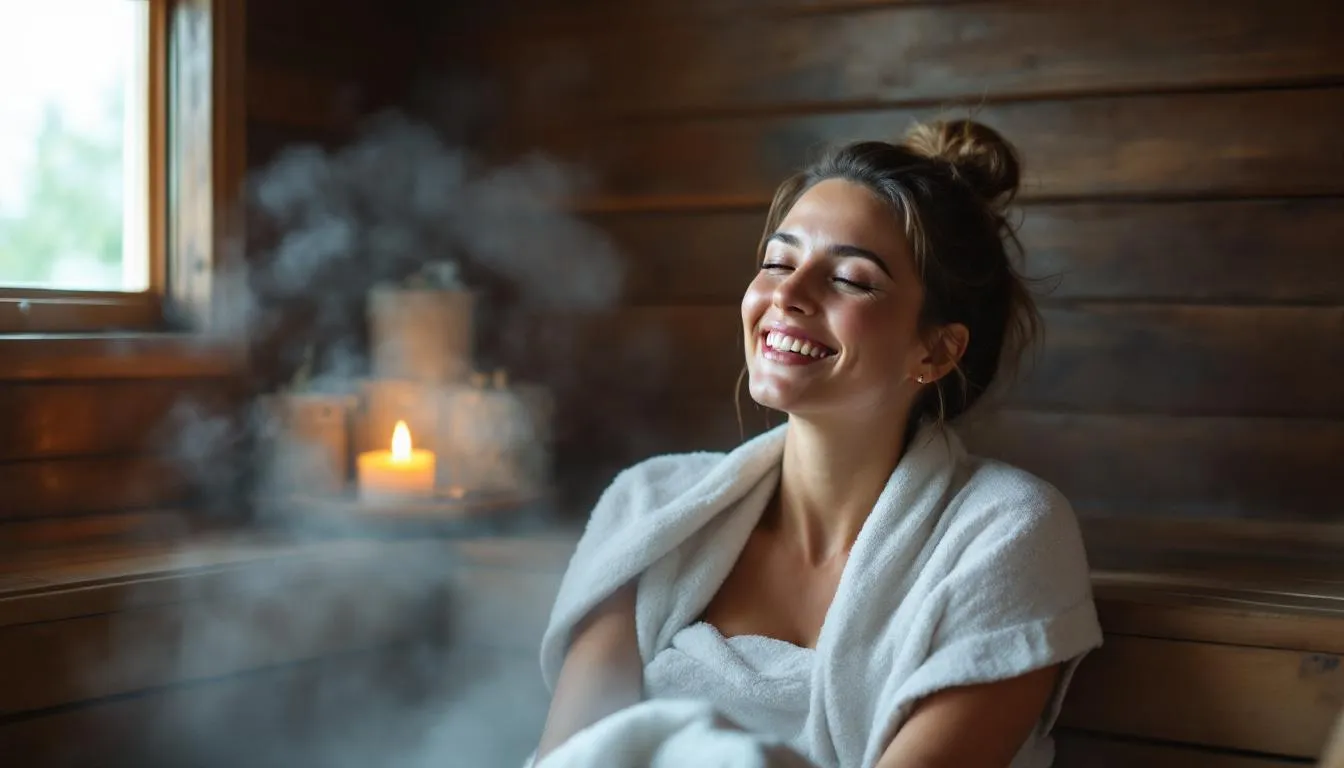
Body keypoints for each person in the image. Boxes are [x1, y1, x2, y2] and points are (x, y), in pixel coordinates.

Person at [533, 119, 1103, 768]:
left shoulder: (1004, 533)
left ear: (937, 349)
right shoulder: (651, 509)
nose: (787, 294)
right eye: (778, 262)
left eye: (851, 279)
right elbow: (573, 759)